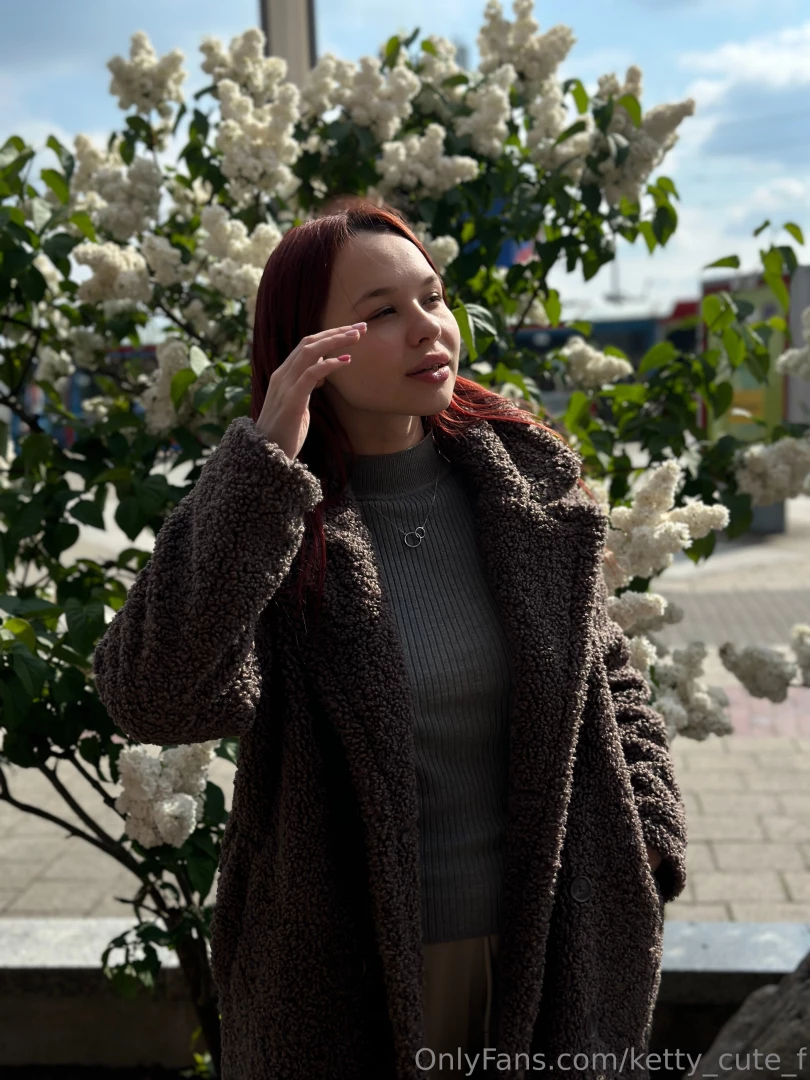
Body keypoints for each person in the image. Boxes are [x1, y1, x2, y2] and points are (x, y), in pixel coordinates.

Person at [93, 199, 686, 1080]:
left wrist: (648, 838)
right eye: (381, 312)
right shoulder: (273, 521)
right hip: (346, 978)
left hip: (560, 944)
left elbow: (607, 676)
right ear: (308, 346)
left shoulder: (523, 487)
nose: (427, 330)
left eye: (433, 299)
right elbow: (155, 696)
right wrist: (263, 465)